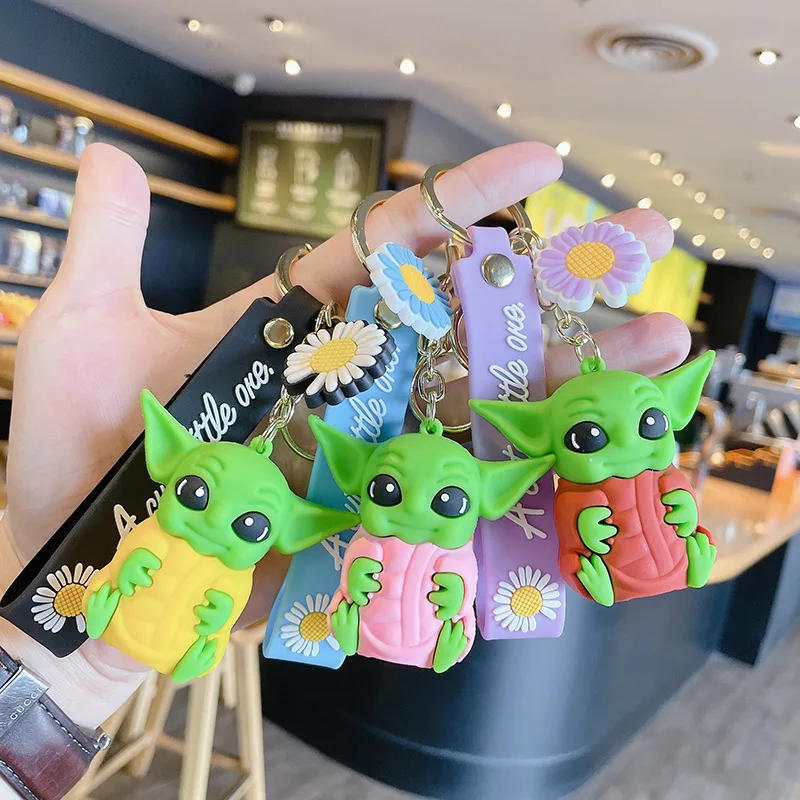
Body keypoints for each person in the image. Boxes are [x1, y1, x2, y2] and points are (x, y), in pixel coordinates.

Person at [0, 142, 683, 797]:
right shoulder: (203, 532)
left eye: (447, 503)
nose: (412, 508)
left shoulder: (443, 519)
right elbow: (217, 591)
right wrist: (85, 630)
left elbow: (443, 585)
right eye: (386, 489)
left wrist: (83, 669)